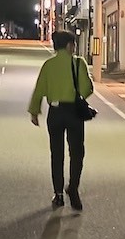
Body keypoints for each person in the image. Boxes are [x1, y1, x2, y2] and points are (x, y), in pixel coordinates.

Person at [27, 30, 93, 210]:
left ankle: (58, 194)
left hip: (55, 113)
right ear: (70, 45)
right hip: (74, 112)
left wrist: (34, 111)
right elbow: (87, 88)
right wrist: (76, 94)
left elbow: (39, 89)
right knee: (77, 152)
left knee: (56, 153)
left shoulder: (49, 65)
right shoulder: (78, 63)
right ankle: (73, 188)